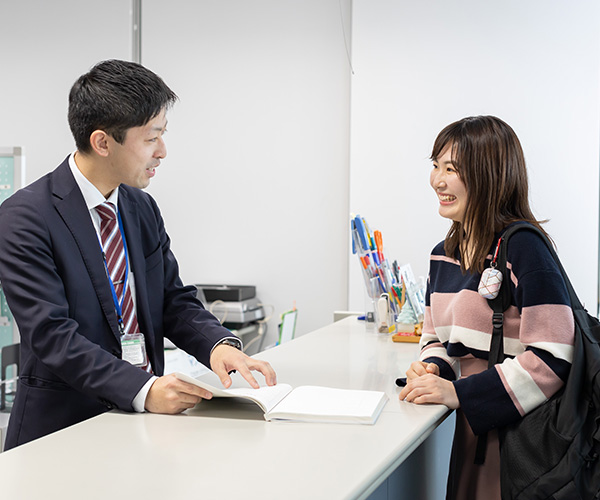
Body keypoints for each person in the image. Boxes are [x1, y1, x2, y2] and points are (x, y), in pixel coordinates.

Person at [0, 59, 276, 450]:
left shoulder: (140, 207)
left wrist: (218, 345)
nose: (162, 151)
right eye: (151, 138)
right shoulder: (25, 218)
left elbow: (172, 300)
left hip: (142, 427)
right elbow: (52, 336)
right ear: (102, 142)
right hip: (62, 432)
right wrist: (144, 389)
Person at [398, 116, 575, 499]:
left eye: (451, 169)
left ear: (488, 175)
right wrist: (434, 366)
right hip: (473, 432)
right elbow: (435, 337)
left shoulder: (526, 249)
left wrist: (461, 394)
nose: (437, 181)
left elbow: (553, 356)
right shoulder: (443, 256)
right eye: (435, 166)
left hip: (522, 442)